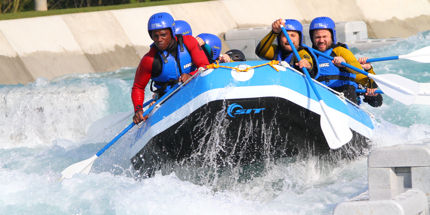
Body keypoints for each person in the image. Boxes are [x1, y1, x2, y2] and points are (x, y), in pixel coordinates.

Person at [131, 12, 209, 124]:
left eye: (163, 35)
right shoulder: (149, 60)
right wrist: (138, 110)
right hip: (166, 100)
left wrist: (191, 75)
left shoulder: (189, 42)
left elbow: (205, 66)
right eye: (155, 36)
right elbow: (138, 87)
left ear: (172, 32)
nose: (159, 39)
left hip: (194, 91)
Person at [309, 16, 381, 104]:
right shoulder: (310, 56)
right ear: (312, 38)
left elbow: (357, 70)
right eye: (317, 37)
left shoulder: (341, 51)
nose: (321, 40)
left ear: (332, 36)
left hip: (345, 99)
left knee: (373, 98)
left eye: (325, 36)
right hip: (321, 100)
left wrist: (345, 64)